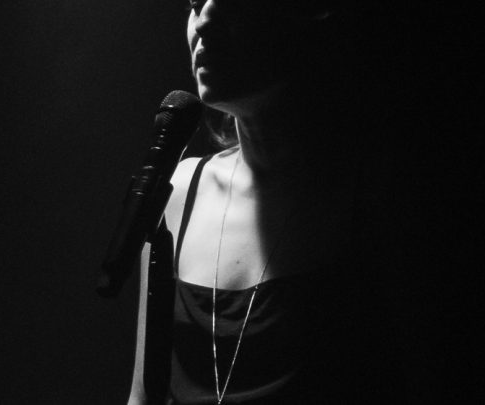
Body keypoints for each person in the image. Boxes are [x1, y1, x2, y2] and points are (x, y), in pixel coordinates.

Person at [128, 1, 408, 404]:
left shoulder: (367, 196)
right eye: (193, 3)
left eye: (229, 4)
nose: (203, 22)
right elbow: (141, 395)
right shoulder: (178, 193)